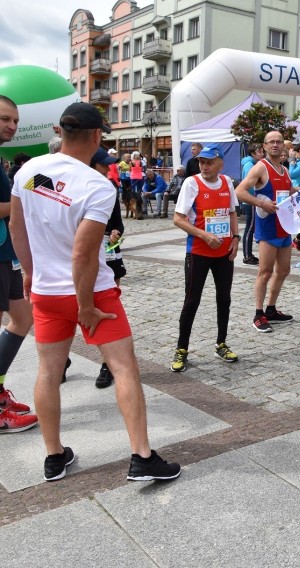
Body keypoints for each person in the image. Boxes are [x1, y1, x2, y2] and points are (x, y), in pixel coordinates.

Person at [9, 102, 181, 482]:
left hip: (46, 292)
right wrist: (85, 306)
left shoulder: (30, 172)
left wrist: (29, 274)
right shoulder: (97, 185)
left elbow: (17, 230)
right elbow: (83, 254)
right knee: (124, 369)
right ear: (96, 136)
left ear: (61, 132)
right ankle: (141, 456)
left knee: (48, 372)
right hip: (95, 295)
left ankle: (54, 456)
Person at [170, 143, 240, 372]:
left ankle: (221, 343)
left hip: (223, 253)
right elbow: (178, 219)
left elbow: (231, 212)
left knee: (224, 299)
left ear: (220, 163)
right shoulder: (192, 183)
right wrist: (204, 235)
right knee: (191, 301)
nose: (204, 166)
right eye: (201, 162)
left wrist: (236, 239)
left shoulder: (227, 182)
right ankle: (181, 349)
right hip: (198, 252)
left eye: (209, 162)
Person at [0, 95, 38, 434]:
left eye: (15, 120)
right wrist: (20, 200)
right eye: (4, 119)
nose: (12, 125)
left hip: (5, 254)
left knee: (22, 319)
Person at [235, 130, 296, 333]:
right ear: (265, 146)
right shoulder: (261, 167)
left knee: (284, 270)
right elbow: (240, 191)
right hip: (268, 228)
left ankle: (271, 309)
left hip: (285, 227)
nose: (276, 145)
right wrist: (260, 202)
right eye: (272, 142)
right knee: (265, 272)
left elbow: (290, 192)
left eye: (279, 141)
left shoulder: (284, 170)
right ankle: (258, 313)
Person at [90, 147, 126, 389]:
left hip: (109, 250)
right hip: (82, 253)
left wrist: (116, 233)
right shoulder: (79, 187)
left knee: (109, 304)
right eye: (103, 164)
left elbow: (118, 223)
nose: (107, 168)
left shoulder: (110, 187)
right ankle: (63, 360)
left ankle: (107, 365)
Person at [239, 145, 262, 265]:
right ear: (253, 153)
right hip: (250, 200)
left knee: (251, 228)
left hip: (251, 200)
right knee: (250, 229)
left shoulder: (250, 164)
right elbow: (250, 185)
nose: (262, 154)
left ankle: (249, 254)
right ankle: (247, 256)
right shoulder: (249, 165)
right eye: (259, 151)